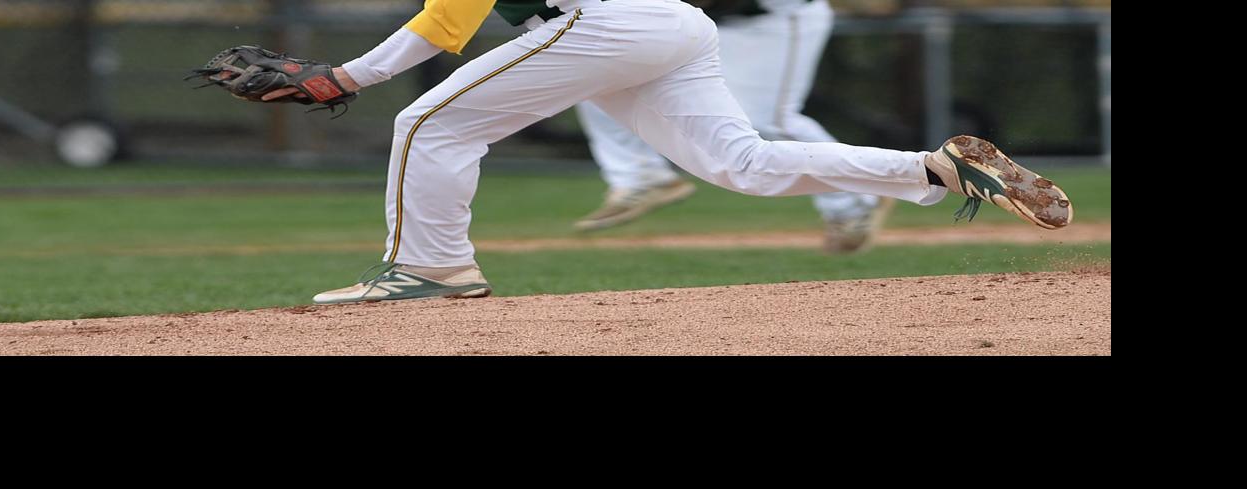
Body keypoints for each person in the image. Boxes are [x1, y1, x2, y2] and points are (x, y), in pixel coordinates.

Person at [259, 0, 1072, 305]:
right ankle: (931, 169)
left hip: (598, 21)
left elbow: (448, 21)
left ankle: (432, 268)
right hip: (671, 22)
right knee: (740, 165)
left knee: (430, 125)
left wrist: (346, 78)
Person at [572, 0, 892, 254]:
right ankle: (641, 177)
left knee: (767, 121)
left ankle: (858, 196)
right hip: (705, 22)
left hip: (776, 19)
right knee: (600, 78)